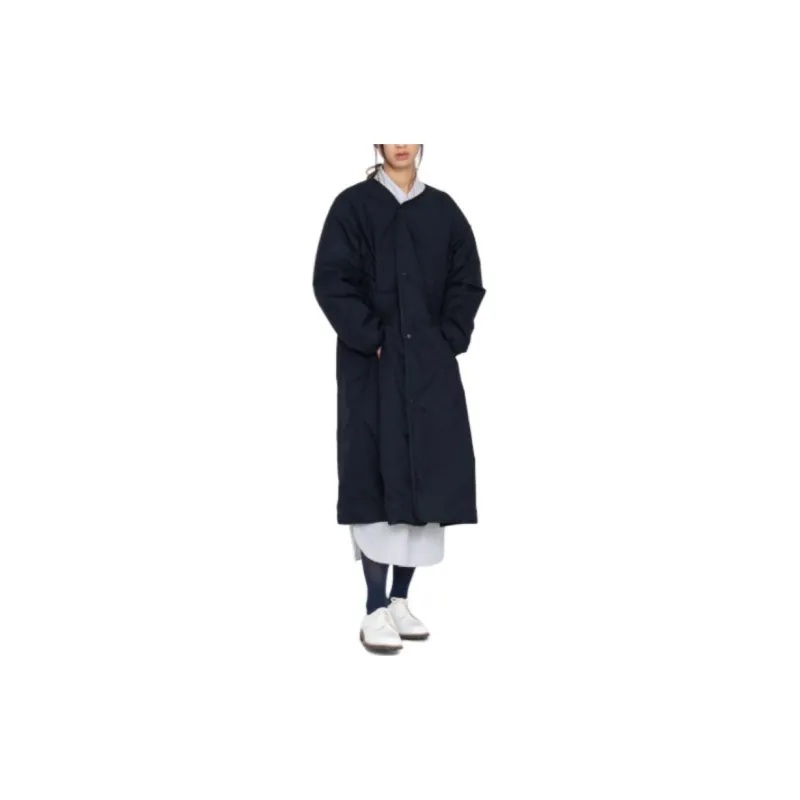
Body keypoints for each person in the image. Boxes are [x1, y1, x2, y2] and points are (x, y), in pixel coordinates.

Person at [313, 144, 486, 653]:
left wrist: (448, 337)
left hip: (429, 368)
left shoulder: (443, 211)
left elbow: (467, 280)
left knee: (425, 481)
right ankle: (373, 607)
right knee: (375, 480)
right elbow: (331, 280)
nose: (401, 143)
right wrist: (371, 337)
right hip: (375, 369)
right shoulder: (353, 206)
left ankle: (400, 601)